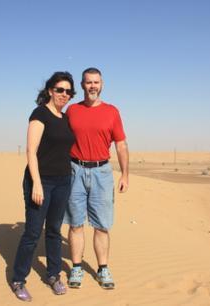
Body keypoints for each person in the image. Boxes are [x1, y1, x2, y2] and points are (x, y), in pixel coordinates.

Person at [11, 71, 76, 301]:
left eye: (68, 91)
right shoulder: (39, 114)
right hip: (41, 181)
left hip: (62, 181)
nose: (64, 94)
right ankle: (18, 278)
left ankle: (53, 275)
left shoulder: (65, 118)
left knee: (54, 231)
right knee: (32, 232)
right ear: (50, 90)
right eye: (60, 89)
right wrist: (37, 183)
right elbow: (31, 151)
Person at [64, 67, 129, 290]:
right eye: (88, 82)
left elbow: (120, 145)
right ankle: (76, 267)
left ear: (102, 85)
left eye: (96, 82)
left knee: (102, 226)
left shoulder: (112, 112)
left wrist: (125, 175)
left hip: (102, 172)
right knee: (75, 224)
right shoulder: (71, 110)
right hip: (75, 171)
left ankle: (103, 269)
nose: (92, 86)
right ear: (81, 85)